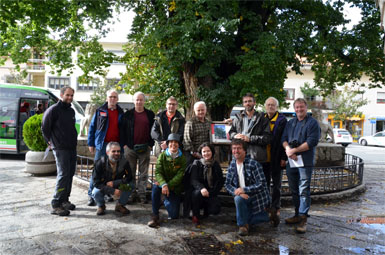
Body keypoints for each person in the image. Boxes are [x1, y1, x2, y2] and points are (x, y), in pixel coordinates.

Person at [281, 98, 320, 233]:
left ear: (306, 107)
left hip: (305, 161)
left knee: (304, 189)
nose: (299, 109)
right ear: (294, 108)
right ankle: (297, 214)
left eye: (301, 107)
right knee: (294, 189)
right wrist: (288, 150)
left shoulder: (313, 123)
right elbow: (284, 139)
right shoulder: (290, 123)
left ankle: (303, 219)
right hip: (291, 161)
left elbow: (312, 141)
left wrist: (295, 150)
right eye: (297, 107)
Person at [41, 86, 77, 216]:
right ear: (62, 95)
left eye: (71, 95)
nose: (70, 98)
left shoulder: (71, 111)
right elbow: (45, 128)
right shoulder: (53, 110)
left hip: (71, 147)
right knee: (63, 175)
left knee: (70, 174)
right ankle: (56, 203)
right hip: (60, 148)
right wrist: (50, 142)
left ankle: (64, 200)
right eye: (67, 95)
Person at [225, 139, 271, 236]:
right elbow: (227, 184)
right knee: (238, 199)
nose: (236, 151)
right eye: (234, 148)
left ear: (245, 151)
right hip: (242, 196)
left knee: (244, 215)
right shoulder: (232, 165)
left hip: (256, 196)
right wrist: (239, 192)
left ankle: (268, 216)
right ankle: (243, 226)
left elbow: (262, 183)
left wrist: (244, 190)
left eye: (239, 148)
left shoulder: (254, 164)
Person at [87, 89, 124, 206]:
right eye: (110, 97)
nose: (112, 99)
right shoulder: (100, 111)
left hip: (115, 146)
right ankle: (91, 195)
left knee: (111, 171)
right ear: (107, 98)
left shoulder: (121, 112)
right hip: (102, 144)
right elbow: (92, 127)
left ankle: (107, 193)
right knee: (97, 170)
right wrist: (91, 143)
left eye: (114, 97)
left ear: (117, 99)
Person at [228, 93, 272, 188]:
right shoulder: (237, 118)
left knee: (256, 184)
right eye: (245, 101)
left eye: (250, 101)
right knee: (240, 183)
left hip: (256, 156)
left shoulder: (262, 119)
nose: (248, 103)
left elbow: (267, 138)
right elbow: (231, 133)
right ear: (243, 104)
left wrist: (250, 139)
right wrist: (235, 135)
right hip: (240, 156)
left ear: (254, 103)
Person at [122, 91, 155, 204]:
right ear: (133, 101)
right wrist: (125, 145)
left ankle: (142, 194)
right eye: (137, 99)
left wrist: (151, 145)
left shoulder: (150, 114)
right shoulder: (127, 115)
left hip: (145, 148)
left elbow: (154, 131)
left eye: (141, 99)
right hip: (130, 148)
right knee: (130, 172)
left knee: (143, 173)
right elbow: (122, 131)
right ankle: (131, 194)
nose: (139, 102)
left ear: (144, 101)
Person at [148, 133, 186, 228]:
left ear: (179, 144)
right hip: (163, 184)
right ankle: (155, 215)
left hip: (174, 187)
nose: (173, 144)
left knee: (173, 215)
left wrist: (168, 186)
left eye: (176, 142)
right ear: (167, 144)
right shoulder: (162, 156)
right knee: (156, 187)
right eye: (171, 142)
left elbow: (180, 175)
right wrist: (164, 184)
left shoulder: (182, 158)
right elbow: (158, 172)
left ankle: (165, 200)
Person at [263, 97, 287, 226]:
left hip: (277, 157)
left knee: (277, 184)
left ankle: (276, 207)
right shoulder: (261, 117)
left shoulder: (282, 120)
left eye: (273, 105)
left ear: (277, 107)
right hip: (264, 158)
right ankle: (266, 206)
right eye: (268, 105)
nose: (270, 107)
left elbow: (285, 138)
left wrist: (284, 157)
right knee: (265, 183)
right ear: (265, 106)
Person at [92, 142, 133, 216]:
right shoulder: (100, 163)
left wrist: (115, 183)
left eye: (118, 151)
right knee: (95, 192)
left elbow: (129, 177)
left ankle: (120, 205)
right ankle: (101, 206)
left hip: (118, 184)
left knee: (131, 185)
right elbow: (96, 182)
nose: (116, 153)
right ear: (107, 152)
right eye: (113, 151)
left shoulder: (124, 162)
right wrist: (112, 190)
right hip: (104, 186)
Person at [189, 143, 224, 226]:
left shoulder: (216, 165)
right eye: (204, 151)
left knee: (215, 210)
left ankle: (206, 210)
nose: (206, 153)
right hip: (199, 191)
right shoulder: (196, 163)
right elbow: (194, 180)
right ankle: (195, 215)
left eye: (208, 151)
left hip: (211, 192)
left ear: (212, 152)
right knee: (196, 194)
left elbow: (220, 181)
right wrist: (202, 188)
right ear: (201, 153)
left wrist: (211, 192)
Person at [183, 101, 211, 165]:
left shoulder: (208, 123)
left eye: (202, 110)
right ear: (195, 111)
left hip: (206, 154)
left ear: (205, 110)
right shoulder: (190, 123)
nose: (201, 112)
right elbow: (187, 141)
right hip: (193, 155)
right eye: (198, 110)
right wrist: (195, 153)